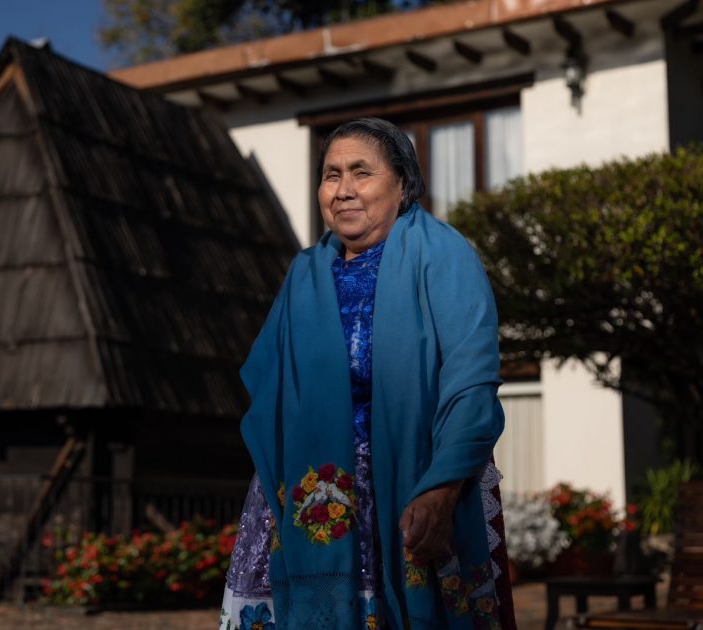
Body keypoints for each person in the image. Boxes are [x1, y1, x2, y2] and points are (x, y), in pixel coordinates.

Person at [219, 118, 516, 630]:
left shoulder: (442, 255)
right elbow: (269, 391)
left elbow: (471, 383)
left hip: (414, 488)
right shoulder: (304, 274)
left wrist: (441, 491)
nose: (344, 190)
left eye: (362, 172)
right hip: (311, 501)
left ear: (403, 186)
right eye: (332, 175)